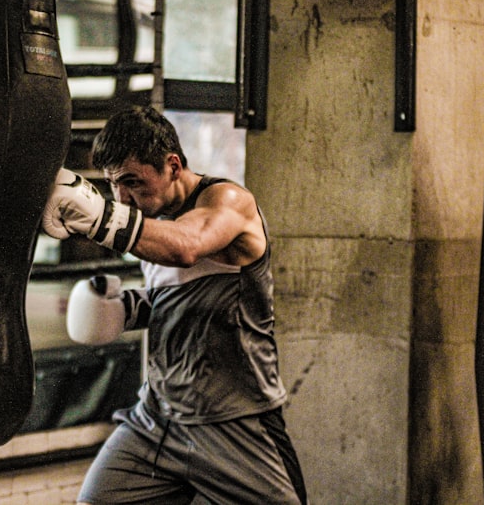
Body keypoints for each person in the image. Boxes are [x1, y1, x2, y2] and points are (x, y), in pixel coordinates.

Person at [42, 105, 308, 505]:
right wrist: (125, 308)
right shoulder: (155, 227)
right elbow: (181, 297)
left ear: (172, 165)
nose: (124, 197)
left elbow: (188, 248)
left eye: (133, 181)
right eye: (114, 185)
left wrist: (99, 218)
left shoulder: (230, 202)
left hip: (235, 421)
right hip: (158, 419)